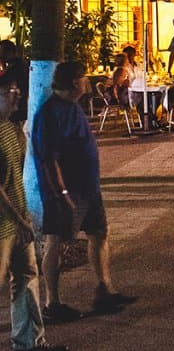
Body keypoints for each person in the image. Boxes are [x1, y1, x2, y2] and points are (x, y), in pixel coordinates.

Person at [34, 62, 135, 323]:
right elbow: (48, 159)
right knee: (56, 241)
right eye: (83, 78)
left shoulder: (73, 106)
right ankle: (52, 303)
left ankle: (105, 289)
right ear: (72, 82)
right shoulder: (49, 113)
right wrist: (63, 192)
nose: (87, 82)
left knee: (99, 233)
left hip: (88, 189)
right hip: (67, 192)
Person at [0, 73, 67, 351]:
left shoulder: (13, 129)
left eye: (17, 90)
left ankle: (29, 341)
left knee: (26, 278)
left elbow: (16, 179)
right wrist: (19, 219)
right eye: (8, 91)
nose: (17, 95)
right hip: (5, 224)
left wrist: (25, 217)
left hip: (18, 220)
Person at [0, 41, 28, 124]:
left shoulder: (17, 67)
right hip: (18, 110)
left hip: (17, 112)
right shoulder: (19, 64)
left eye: (1, 52)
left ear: (9, 52)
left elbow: (2, 81)